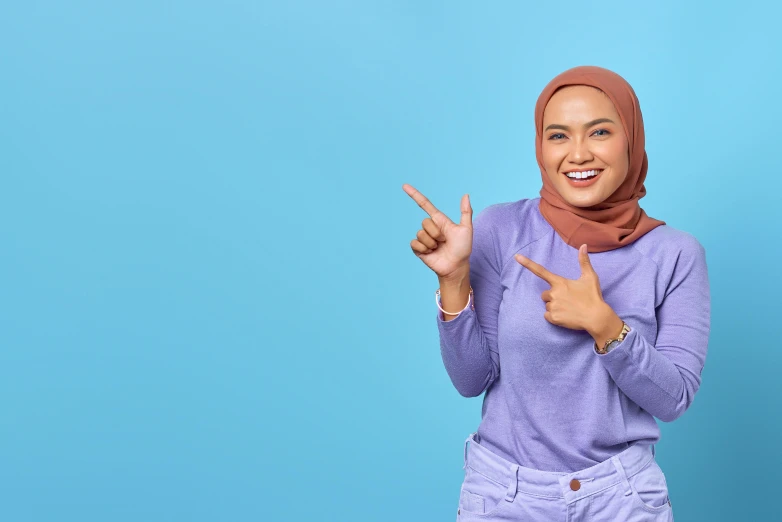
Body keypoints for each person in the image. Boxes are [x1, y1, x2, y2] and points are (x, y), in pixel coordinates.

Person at [402, 65, 710, 521]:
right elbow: (471, 381)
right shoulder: (502, 229)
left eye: (600, 132)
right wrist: (453, 281)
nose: (578, 154)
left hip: (620, 499)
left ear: (632, 139)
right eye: (559, 136)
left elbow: (673, 399)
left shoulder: (675, 254)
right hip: (504, 495)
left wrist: (605, 326)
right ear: (540, 148)